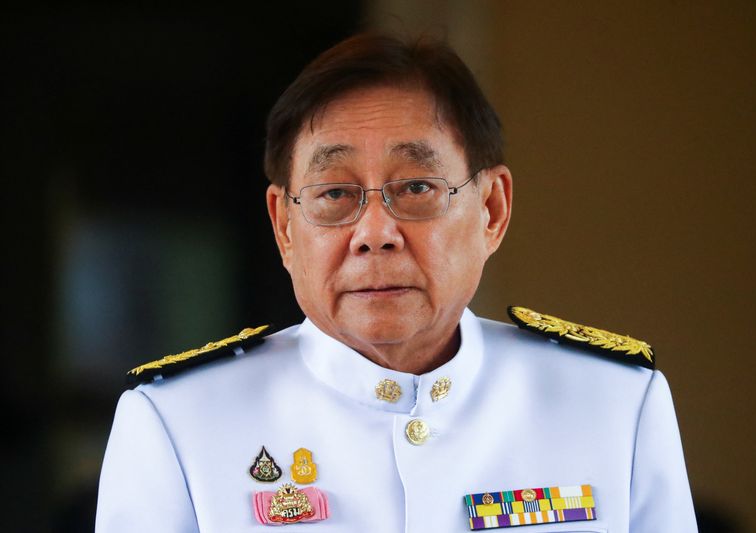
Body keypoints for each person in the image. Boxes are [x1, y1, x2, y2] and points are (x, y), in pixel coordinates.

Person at [96, 34, 697, 532]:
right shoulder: (176, 421)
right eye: (335, 194)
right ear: (283, 226)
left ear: (491, 210)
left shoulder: (615, 404)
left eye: (416, 188)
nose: (375, 233)